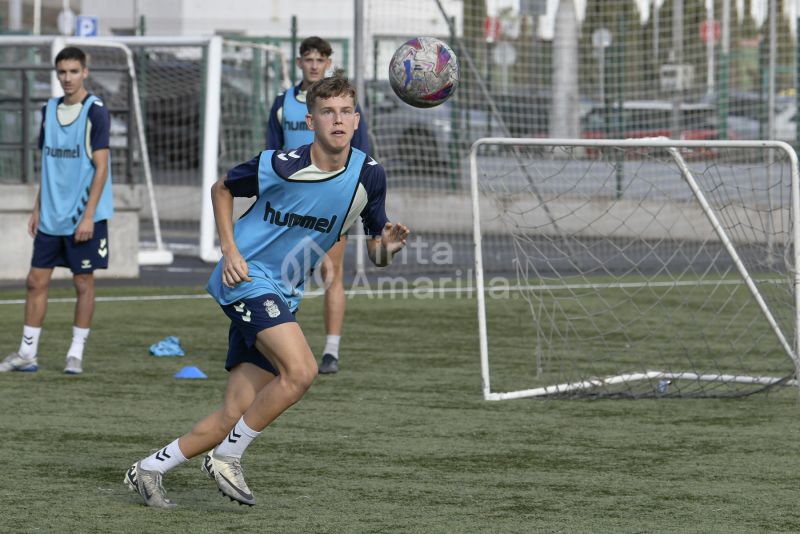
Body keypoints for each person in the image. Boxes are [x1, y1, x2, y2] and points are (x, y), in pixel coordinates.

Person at [125, 73, 409, 509]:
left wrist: (387, 247)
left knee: (233, 415)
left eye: (346, 111)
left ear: (357, 119)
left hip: (283, 292)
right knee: (302, 372)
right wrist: (229, 249)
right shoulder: (281, 164)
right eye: (328, 112)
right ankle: (227, 458)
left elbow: (376, 253)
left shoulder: (369, 176)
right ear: (310, 120)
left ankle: (149, 469)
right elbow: (221, 189)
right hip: (247, 278)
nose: (338, 120)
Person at [0, 46, 113, 375]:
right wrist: (37, 207)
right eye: (62, 72)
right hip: (51, 215)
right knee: (35, 281)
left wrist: (89, 214)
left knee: (82, 282)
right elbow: (47, 165)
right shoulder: (48, 110)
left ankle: (75, 353)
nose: (67, 78)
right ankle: (26, 353)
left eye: (73, 71)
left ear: (85, 72)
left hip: (82, 215)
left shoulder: (96, 112)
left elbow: (102, 168)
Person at [266, 36, 371, 375]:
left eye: (320, 59)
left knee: (331, 273)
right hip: (290, 204)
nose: (314, 64)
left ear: (328, 62)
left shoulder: (344, 106)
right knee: (284, 274)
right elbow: (272, 153)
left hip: (331, 202)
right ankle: (280, 343)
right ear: (299, 63)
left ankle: (331, 350)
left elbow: (362, 156)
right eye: (308, 59)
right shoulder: (283, 103)